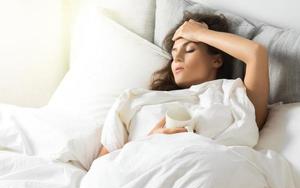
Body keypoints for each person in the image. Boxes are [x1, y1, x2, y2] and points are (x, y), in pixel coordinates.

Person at [98, 12, 269, 157]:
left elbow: (256, 53)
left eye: (189, 49)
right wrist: (147, 143)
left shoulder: (233, 97)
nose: (177, 58)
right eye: (173, 54)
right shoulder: (140, 100)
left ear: (216, 60)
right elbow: (102, 166)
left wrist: (200, 33)